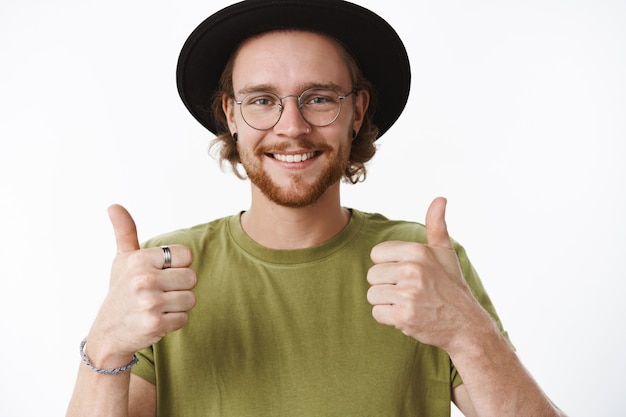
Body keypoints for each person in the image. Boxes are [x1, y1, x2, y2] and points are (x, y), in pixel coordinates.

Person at [67, 1, 566, 416]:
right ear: (230, 115)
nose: (291, 127)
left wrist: (467, 333)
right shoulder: (166, 270)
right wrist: (106, 344)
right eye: (262, 100)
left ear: (358, 112)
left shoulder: (423, 262)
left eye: (320, 98)